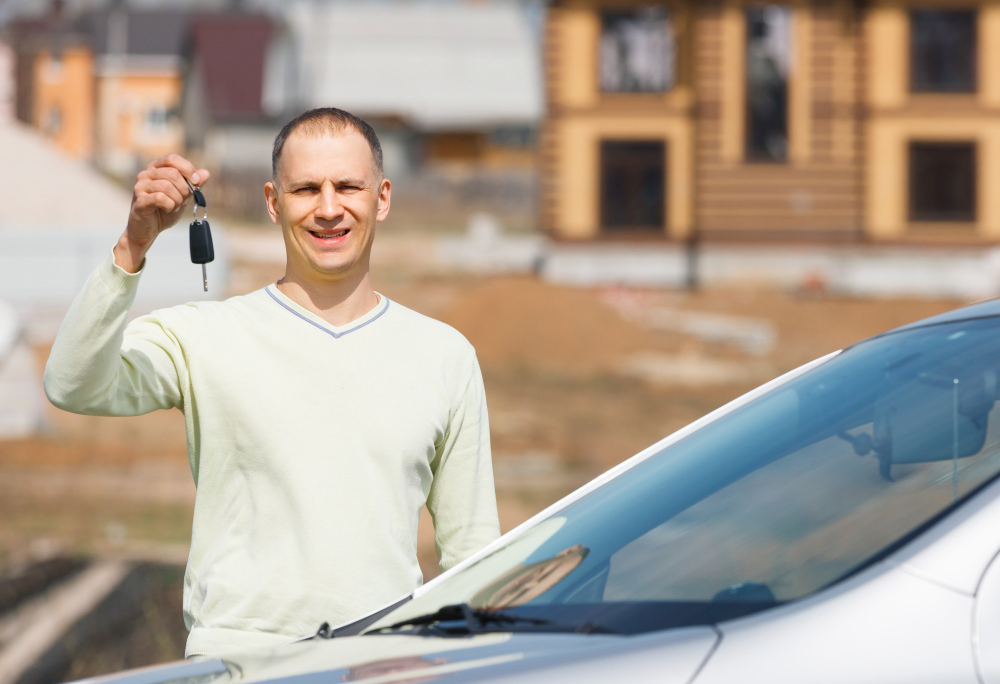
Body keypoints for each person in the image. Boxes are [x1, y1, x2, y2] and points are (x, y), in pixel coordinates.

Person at [43, 108, 500, 657]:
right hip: (238, 665)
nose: (329, 209)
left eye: (348, 187)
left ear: (381, 197)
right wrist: (133, 245)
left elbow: (474, 556)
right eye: (306, 189)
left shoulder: (445, 356)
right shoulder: (204, 334)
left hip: (384, 663)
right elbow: (72, 383)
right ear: (272, 201)